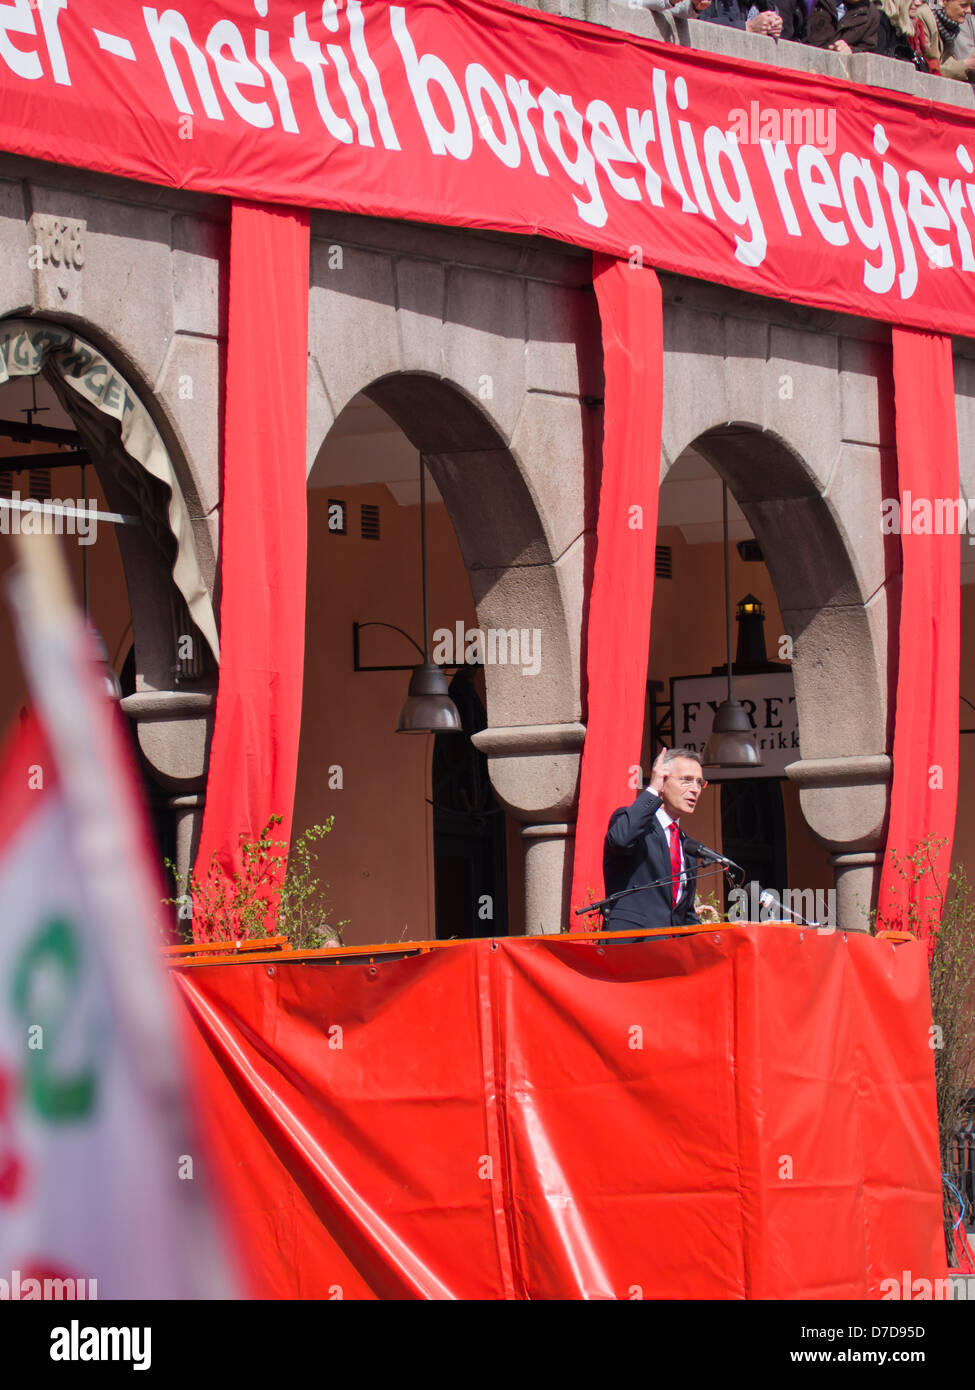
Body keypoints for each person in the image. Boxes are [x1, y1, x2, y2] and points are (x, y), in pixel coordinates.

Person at [602, 747, 707, 934]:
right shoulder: (633, 825)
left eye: (699, 783)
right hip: (633, 947)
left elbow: (685, 914)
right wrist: (652, 790)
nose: (695, 789)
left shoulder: (687, 846)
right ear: (663, 780)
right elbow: (620, 839)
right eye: (686, 780)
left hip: (670, 954)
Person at [807, 0, 881, 51]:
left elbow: (867, 49)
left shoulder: (871, 15)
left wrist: (850, 51)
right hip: (802, 57)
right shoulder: (818, 2)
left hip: (833, 67)